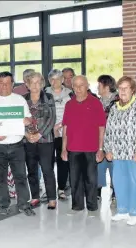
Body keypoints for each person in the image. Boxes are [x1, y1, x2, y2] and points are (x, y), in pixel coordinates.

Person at [0, 71, 35, 216]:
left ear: (12, 84)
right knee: (0, 177)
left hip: (16, 144)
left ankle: (24, 204)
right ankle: (3, 204)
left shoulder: (20, 100)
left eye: (8, 83)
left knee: (20, 176)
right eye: (2, 83)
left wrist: (27, 121)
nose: (5, 86)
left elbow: (29, 119)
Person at [104, 76, 136, 226]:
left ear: (133, 90)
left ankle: (135, 212)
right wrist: (108, 149)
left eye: (126, 88)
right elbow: (109, 131)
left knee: (135, 182)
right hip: (118, 153)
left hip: (134, 154)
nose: (123, 90)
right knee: (119, 182)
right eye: (120, 88)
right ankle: (123, 210)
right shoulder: (114, 107)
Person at [61, 75, 106, 216]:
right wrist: (63, 148)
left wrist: (100, 148)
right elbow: (65, 128)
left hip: (91, 148)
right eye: (76, 85)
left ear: (87, 86)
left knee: (91, 179)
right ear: (72, 87)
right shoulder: (69, 104)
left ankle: (92, 207)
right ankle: (77, 206)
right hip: (73, 148)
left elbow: (101, 127)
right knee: (75, 179)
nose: (79, 88)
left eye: (82, 85)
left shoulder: (95, 103)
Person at [23, 71, 57, 209]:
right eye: (33, 82)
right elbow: (19, 119)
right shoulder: (23, 99)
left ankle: (52, 199)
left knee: (47, 169)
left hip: (45, 140)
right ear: (27, 84)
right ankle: (35, 197)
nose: (36, 85)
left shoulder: (48, 97)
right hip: (28, 140)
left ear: (42, 84)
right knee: (31, 170)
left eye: (38, 82)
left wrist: (39, 134)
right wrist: (26, 134)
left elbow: (52, 118)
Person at [45, 69, 73, 200]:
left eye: (57, 79)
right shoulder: (44, 94)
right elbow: (42, 114)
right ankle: (48, 189)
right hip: (48, 133)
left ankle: (61, 188)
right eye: (51, 79)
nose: (54, 82)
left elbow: (73, 113)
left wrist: (59, 125)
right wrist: (52, 127)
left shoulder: (70, 94)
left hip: (64, 133)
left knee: (63, 161)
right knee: (47, 162)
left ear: (62, 80)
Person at [96, 75, 119, 203]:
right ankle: (97, 191)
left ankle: (116, 193)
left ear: (106, 86)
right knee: (99, 165)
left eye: (99, 85)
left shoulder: (118, 101)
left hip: (114, 141)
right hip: (99, 139)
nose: (97, 88)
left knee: (114, 167)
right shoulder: (98, 101)